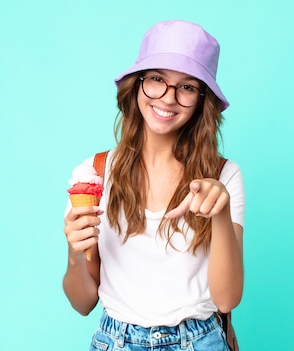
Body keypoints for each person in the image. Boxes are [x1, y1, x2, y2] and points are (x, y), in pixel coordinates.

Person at [63, 20, 245, 350]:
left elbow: (227, 298)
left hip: (199, 341)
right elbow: (82, 303)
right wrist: (76, 255)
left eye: (187, 87)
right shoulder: (94, 174)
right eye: (158, 79)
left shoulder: (224, 176)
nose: (168, 98)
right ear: (137, 84)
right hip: (115, 341)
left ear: (202, 100)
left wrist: (221, 211)